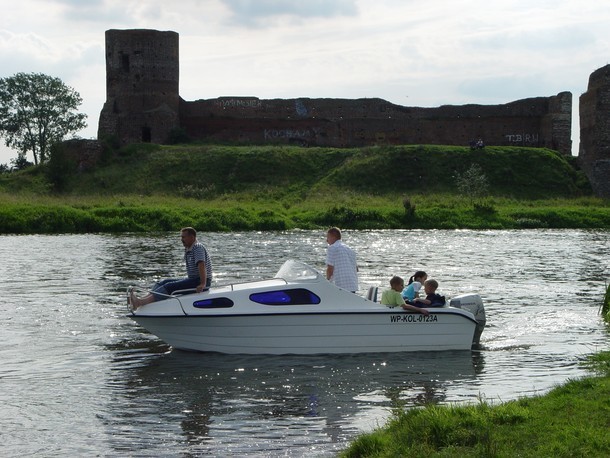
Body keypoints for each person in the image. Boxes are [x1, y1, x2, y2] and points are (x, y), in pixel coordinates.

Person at [130, 227, 213, 309]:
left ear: (192, 237)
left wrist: (202, 284)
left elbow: (201, 265)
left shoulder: (197, 247)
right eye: (181, 237)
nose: (181, 239)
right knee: (163, 282)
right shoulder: (189, 248)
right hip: (194, 280)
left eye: (184, 237)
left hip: (199, 281)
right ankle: (143, 300)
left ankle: (140, 302)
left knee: (169, 287)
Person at [325, 227, 358, 293]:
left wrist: (326, 282)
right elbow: (356, 269)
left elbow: (330, 269)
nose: (326, 240)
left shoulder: (332, 248)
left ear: (333, 237)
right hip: (353, 285)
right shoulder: (350, 249)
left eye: (328, 237)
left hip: (341, 286)